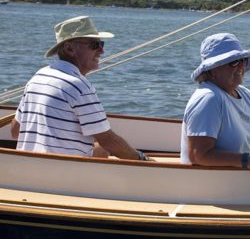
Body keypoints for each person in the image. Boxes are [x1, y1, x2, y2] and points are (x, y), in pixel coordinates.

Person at [10, 15, 150, 160]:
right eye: (94, 45)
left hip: (29, 166)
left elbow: (15, 131)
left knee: (97, 145)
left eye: (101, 44)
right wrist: (143, 159)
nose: (102, 51)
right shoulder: (78, 86)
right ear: (70, 48)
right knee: (102, 147)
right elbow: (108, 141)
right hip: (62, 172)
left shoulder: (38, 77)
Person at [180, 33, 250, 177]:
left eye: (242, 60)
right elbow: (198, 155)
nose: (241, 66)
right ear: (213, 69)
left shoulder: (246, 94)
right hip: (215, 188)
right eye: (233, 62)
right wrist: (249, 161)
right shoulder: (208, 99)